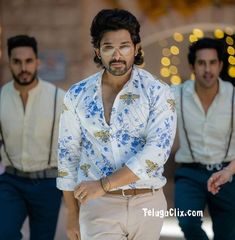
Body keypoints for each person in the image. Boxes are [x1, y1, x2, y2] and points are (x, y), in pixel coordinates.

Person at [57, 8, 177, 240]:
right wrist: (72, 213)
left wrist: (104, 184)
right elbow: (67, 155)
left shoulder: (158, 92)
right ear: (98, 52)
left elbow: (156, 152)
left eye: (124, 46)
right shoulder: (77, 95)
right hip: (98, 205)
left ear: (136, 49)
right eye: (108, 47)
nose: (117, 55)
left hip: (147, 202)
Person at [0, 35, 65, 239]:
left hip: (47, 184)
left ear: (37, 62)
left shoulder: (59, 98)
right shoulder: (1, 97)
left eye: (28, 61)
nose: (23, 68)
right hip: (11, 181)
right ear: (9, 62)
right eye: (17, 62)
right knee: (4, 233)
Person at [173, 37, 235, 240]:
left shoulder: (233, 96)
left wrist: (229, 170)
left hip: (228, 173)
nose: (207, 69)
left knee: (227, 235)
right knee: (187, 220)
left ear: (220, 65)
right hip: (190, 173)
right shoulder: (177, 94)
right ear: (192, 66)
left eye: (212, 62)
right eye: (201, 63)